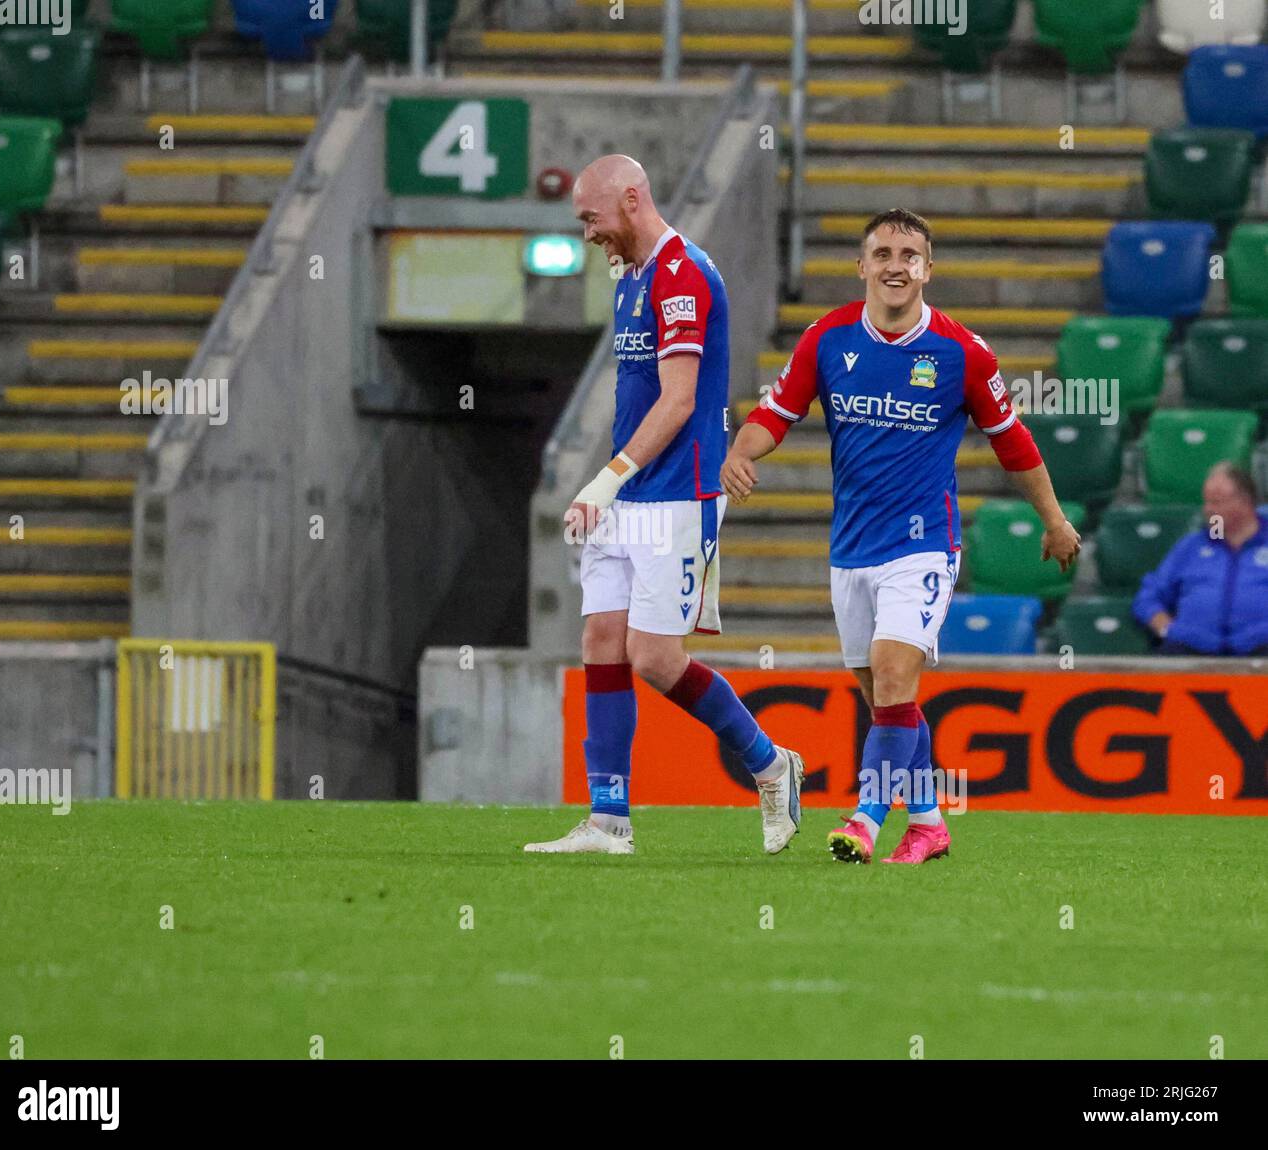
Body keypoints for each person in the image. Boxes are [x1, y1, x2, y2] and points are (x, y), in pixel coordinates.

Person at [723, 208, 1081, 864]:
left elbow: (1014, 444)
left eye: (910, 255)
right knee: (889, 699)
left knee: (891, 677)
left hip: (923, 544)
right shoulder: (826, 341)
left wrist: (1054, 519)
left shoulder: (963, 353)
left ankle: (864, 818)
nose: (896, 264)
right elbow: (774, 414)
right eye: (883, 253)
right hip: (850, 549)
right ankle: (928, 823)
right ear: (861, 266)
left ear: (928, 270)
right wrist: (741, 453)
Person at [523, 154, 805, 857]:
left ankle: (772, 765)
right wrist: (612, 484)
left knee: (652, 657)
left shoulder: (682, 275)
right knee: (600, 642)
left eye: (591, 218)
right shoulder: (632, 277)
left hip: (679, 494)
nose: (587, 233)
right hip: (631, 490)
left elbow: (680, 400)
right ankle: (609, 820)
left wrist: (606, 477)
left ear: (630, 198)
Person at [1133, 462, 1268, 656]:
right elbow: (1148, 597)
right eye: (1207, 502)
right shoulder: (1192, 546)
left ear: (1245, 502)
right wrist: (1167, 629)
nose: (1208, 509)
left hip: (1261, 649)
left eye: (1217, 502)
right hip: (1190, 648)